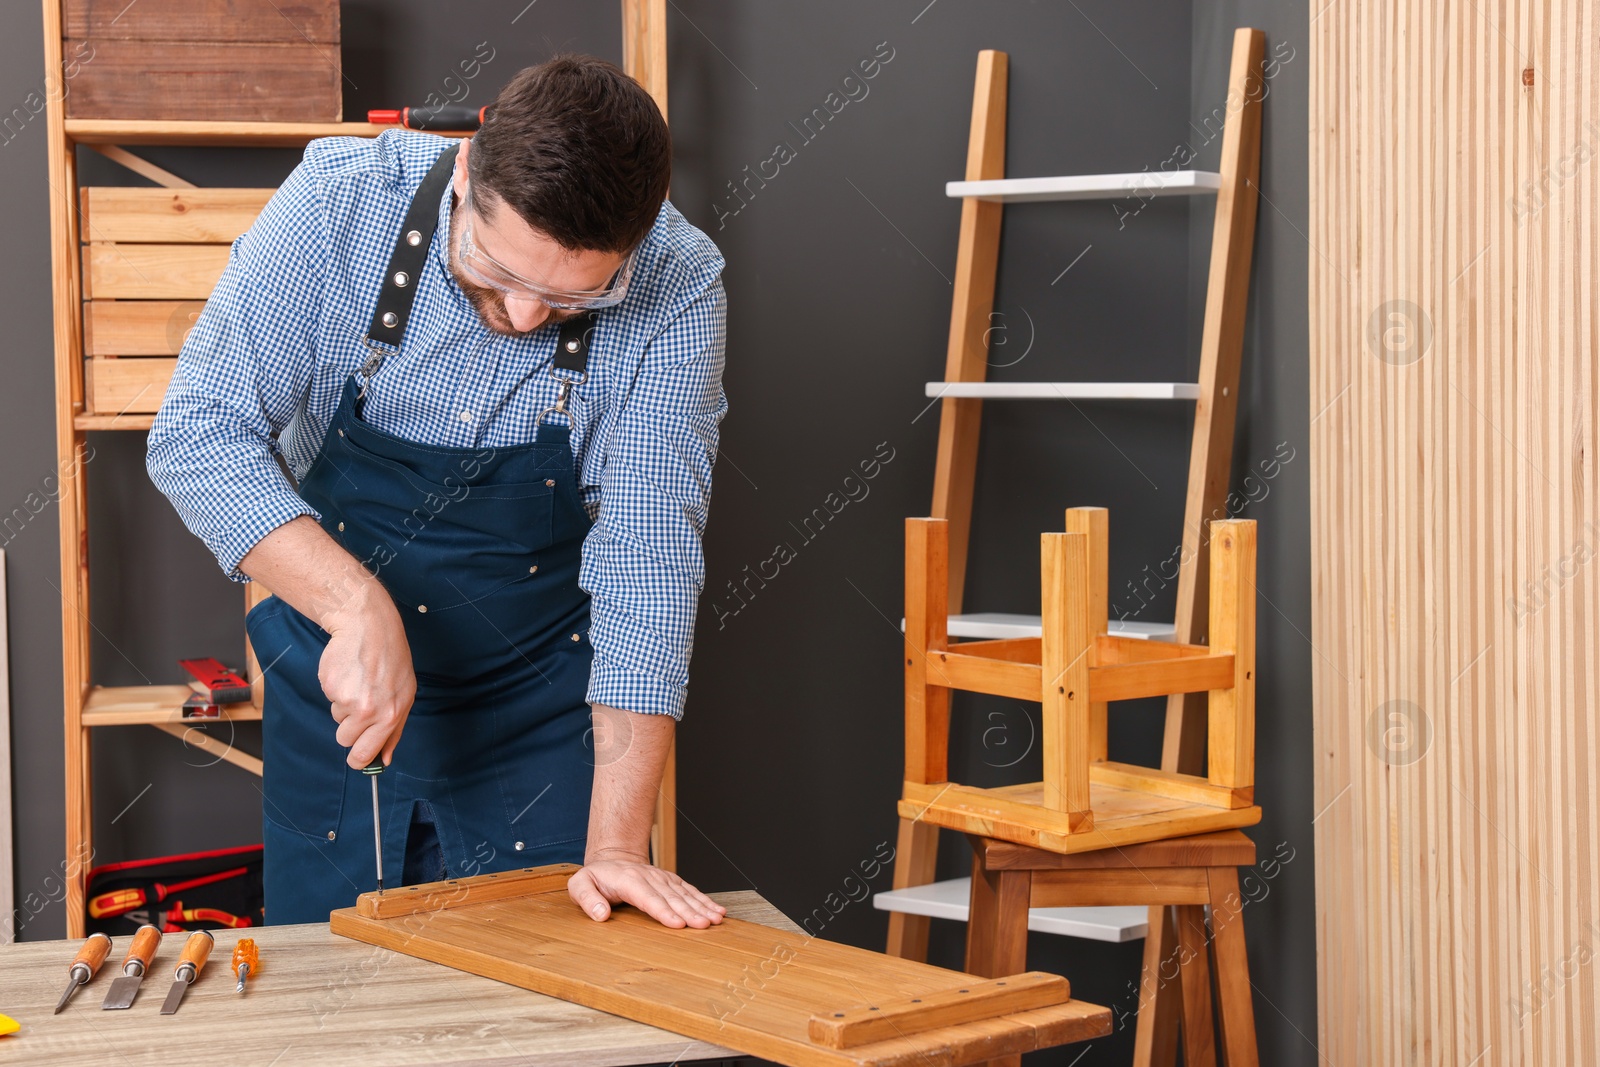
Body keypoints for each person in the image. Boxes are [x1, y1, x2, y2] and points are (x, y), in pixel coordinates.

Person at [147, 54, 729, 930]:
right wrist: (356, 605)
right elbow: (196, 432)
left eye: (575, 299)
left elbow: (649, 564)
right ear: (464, 169)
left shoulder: (679, 282)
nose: (527, 317)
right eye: (500, 273)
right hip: (339, 694)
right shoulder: (339, 205)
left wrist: (616, 844)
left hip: (542, 707)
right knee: (331, 1007)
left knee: (550, 1005)